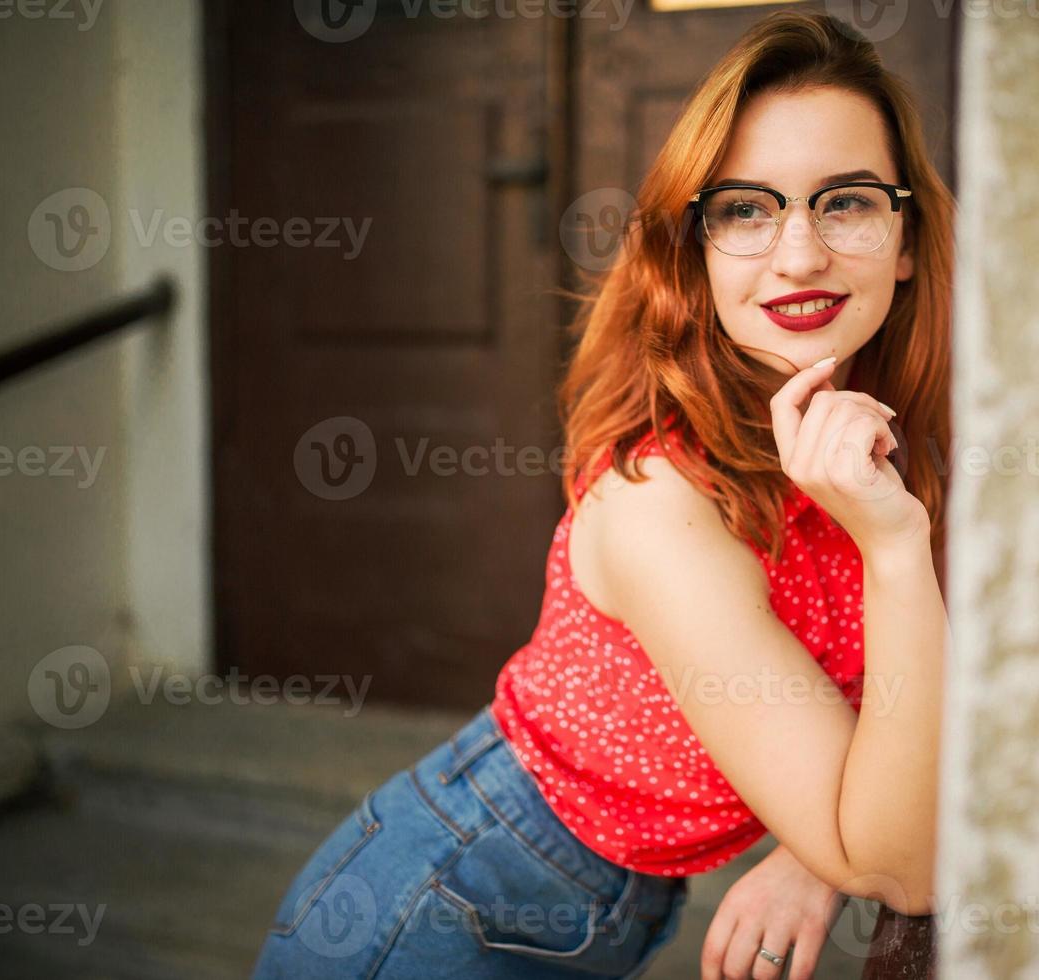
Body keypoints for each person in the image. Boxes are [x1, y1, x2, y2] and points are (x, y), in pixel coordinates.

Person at [251, 9, 952, 979]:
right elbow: (902, 863)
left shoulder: (886, 436)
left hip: (593, 923)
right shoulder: (663, 496)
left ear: (907, 236)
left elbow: (923, 717)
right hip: (439, 907)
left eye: (847, 202)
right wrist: (893, 548)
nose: (799, 254)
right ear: (695, 249)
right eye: (746, 208)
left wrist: (811, 852)